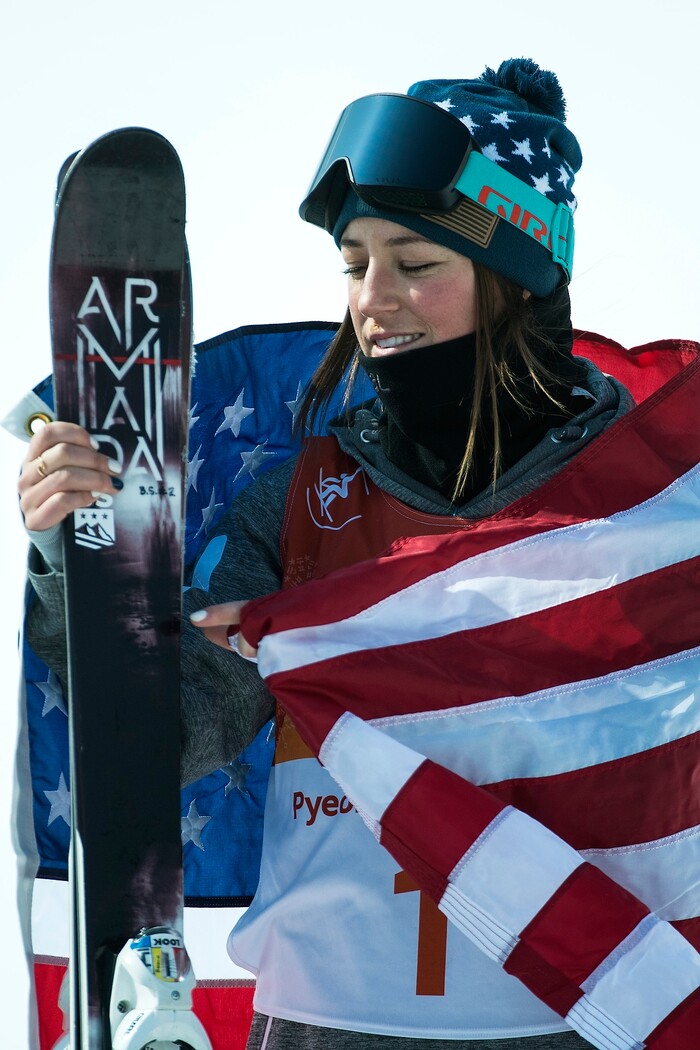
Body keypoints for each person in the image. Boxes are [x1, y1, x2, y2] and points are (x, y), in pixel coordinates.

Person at [18, 59, 700, 1050]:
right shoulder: (304, 502)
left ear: (515, 279)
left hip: (582, 1013)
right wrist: (77, 555)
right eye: (354, 263)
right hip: (323, 1024)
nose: (373, 299)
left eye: (416, 264)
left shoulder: (657, 509)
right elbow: (170, 740)